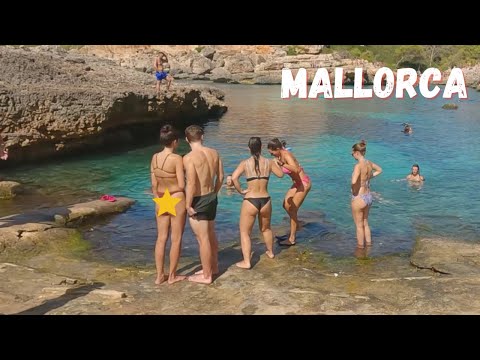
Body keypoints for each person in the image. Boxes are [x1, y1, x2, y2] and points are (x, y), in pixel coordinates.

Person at [231, 137, 284, 269]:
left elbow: (234, 177)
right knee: (266, 228)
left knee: (245, 232)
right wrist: (277, 163)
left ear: (249, 148)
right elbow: (281, 175)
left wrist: (241, 191)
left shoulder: (245, 163)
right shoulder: (268, 162)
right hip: (265, 200)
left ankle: (247, 262)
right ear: (261, 148)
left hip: (250, 199)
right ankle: (271, 252)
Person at [183, 125, 224, 284]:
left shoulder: (188, 158)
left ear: (187, 139)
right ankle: (213, 267)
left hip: (198, 199)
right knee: (211, 234)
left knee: (203, 239)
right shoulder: (214, 153)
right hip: (211, 196)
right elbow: (220, 176)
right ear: (203, 137)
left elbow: (191, 183)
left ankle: (207, 275)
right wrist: (215, 191)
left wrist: (188, 205)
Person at [150, 125, 186, 285]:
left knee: (161, 238)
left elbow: (153, 184)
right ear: (175, 142)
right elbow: (181, 184)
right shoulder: (177, 159)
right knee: (176, 238)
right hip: (175, 198)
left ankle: (159, 276)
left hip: (161, 198)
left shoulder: (154, 157)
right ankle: (172, 275)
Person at [267, 138, 312, 246]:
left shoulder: (286, 155)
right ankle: (296, 225)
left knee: (292, 209)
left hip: (303, 183)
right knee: (285, 205)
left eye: (272, 152)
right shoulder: (279, 156)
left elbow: (296, 169)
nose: (271, 154)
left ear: (277, 149)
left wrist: (282, 164)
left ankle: (291, 238)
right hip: (297, 184)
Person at [351, 140, 382, 249]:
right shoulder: (369, 163)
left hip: (359, 197)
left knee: (359, 226)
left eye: (352, 153)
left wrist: (354, 189)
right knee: (365, 223)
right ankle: (369, 246)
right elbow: (379, 170)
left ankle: (360, 250)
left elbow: (354, 182)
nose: (352, 155)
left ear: (357, 153)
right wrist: (368, 177)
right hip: (368, 196)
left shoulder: (358, 166)